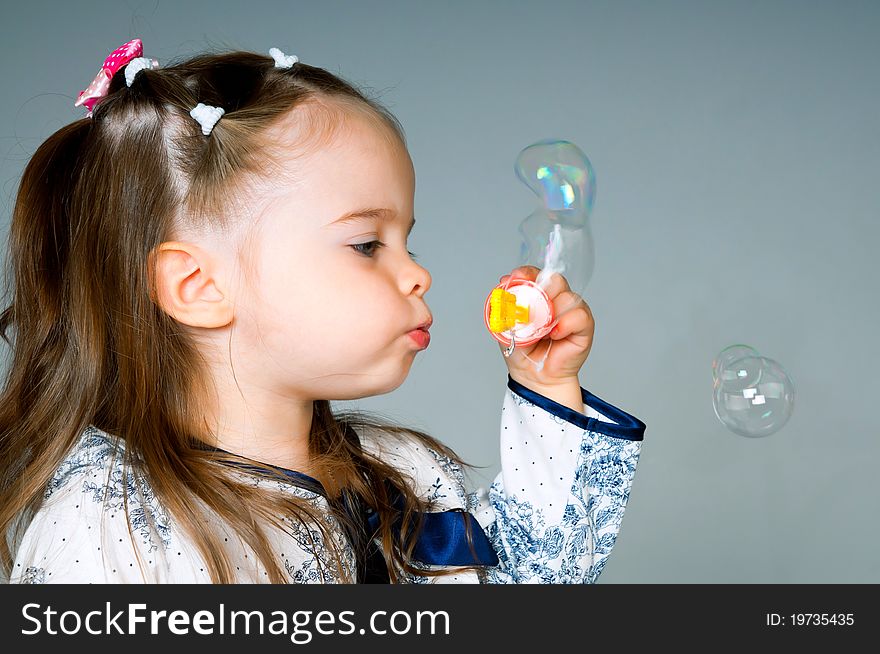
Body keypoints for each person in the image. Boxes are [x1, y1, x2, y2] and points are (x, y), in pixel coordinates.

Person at [0, 39, 646, 584]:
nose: (418, 272)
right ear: (198, 284)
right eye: (367, 244)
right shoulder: (111, 524)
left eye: (406, 240)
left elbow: (537, 576)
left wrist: (546, 387)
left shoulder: (407, 478)